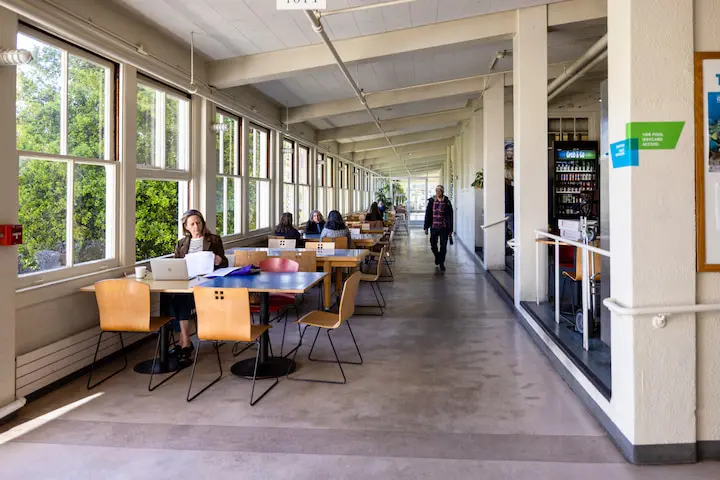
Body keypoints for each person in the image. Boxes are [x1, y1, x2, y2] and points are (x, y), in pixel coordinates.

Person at [164, 209, 228, 360]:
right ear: (186, 227)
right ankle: (185, 340)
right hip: (188, 281)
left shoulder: (214, 240)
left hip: (209, 282)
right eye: (192, 224)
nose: (196, 226)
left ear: (203, 223)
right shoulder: (181, 244)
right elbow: (177, 265)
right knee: (174, 298)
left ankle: (183, 341)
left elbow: (224, 263)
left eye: (198, 223)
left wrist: (219, 260)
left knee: (180, 299)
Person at [423, 185, 454, 272]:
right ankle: (437, 257)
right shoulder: (432, 201)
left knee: (443, 246)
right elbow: (427, 214)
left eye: (439, 191)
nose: (437, 192)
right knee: (433, 245)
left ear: (442, 192)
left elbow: (450, 216)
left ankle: (441, 263)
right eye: (436, 190)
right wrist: (426, 226)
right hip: (434, 226)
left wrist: (450, 230)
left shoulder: (447, 202)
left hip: (444, 227)